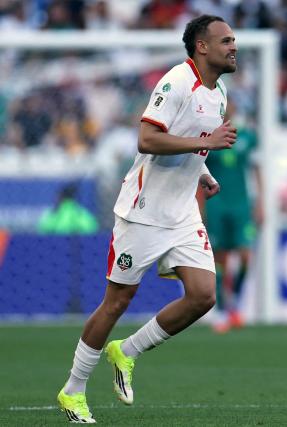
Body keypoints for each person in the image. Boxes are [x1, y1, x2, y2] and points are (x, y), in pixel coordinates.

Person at [56, 15, 238, 423]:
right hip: (143, 212)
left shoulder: (219, 92)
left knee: (204, 295)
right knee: (116, 302)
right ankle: (73, 390)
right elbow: (147, 139)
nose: (233, 47)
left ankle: (127, 351)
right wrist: (206, 142)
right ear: (202, 47)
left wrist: (204, 171)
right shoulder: (176, 82)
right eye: (225, 40)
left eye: (234, 41)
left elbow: (191, 143)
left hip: (182, 212)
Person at [204, 100, 260, 333]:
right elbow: (199, 173)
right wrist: (201, 207)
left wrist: (262, 202)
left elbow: (257, 169)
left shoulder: (246, 137)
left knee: (247, 255)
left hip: (241, 204)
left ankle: (235, 300)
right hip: (217, 203)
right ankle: (223, 310)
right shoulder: (209, 137)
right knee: (221, 258)